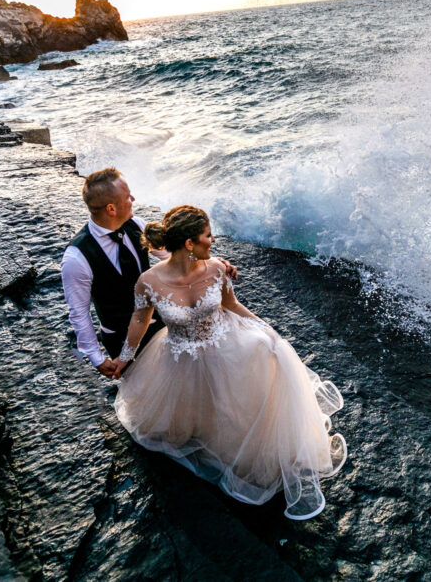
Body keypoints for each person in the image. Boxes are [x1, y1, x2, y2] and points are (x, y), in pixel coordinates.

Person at [112, 205, 347, 520]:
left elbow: (231, 304)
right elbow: (140, 320)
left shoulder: (216, 268)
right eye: (207, 235)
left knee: (242, 391)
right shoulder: (149, 282)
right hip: (181, 357)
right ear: (189, 244)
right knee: (185, 421)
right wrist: (124, 359)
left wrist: (269, 332)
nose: (213, 240)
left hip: (227, 347)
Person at [61, 168, 237, 377]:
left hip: (162, 328)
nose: (133, 198)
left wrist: (215, 263)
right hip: (121, 338)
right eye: (128, 197)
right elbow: (79, 312)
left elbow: (174, 255)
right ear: (111, 209)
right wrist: (95, 357)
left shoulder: (136, 225)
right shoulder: (76, 258)